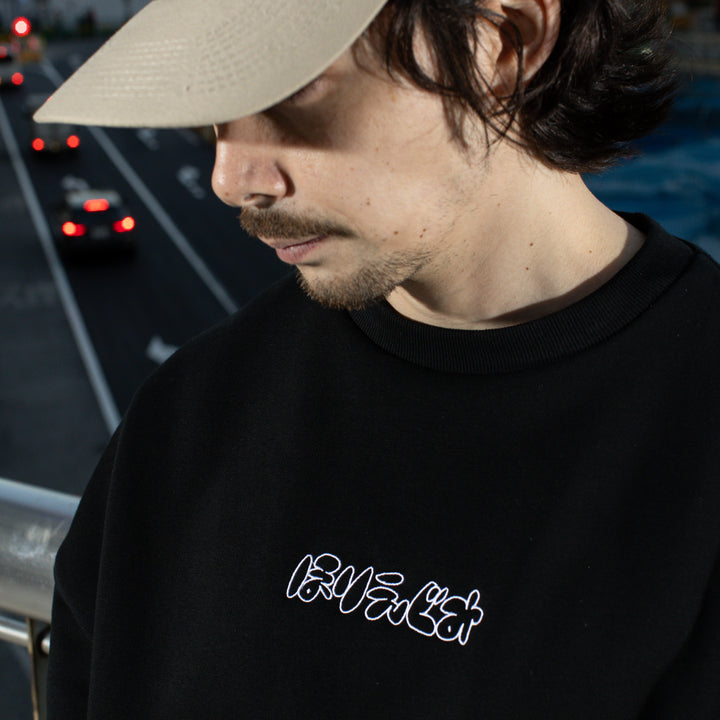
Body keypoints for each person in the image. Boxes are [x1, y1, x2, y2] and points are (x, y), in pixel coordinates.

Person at [36, 0, 720, 717]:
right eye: (220, 96)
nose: (231, 177)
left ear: (505, 40)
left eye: (293, 84)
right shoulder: (182, 423)